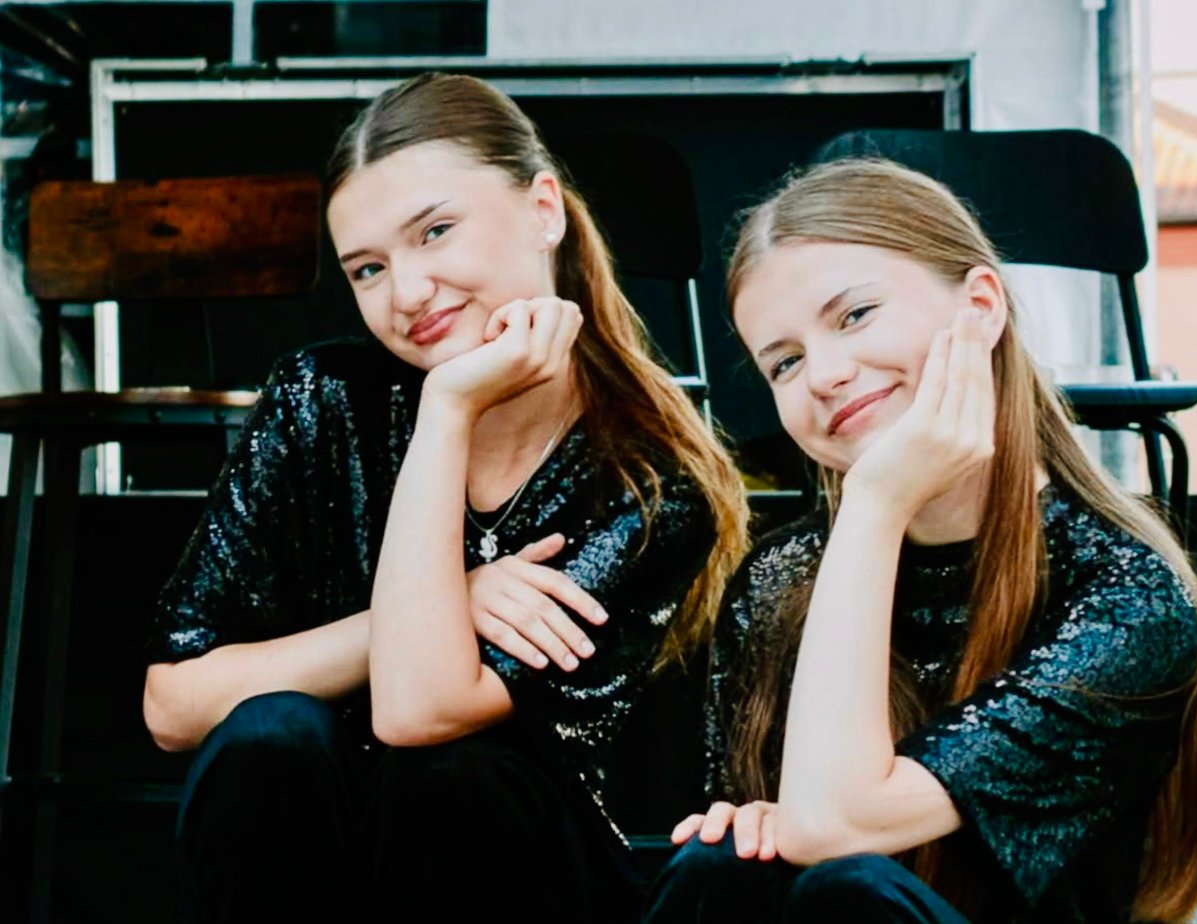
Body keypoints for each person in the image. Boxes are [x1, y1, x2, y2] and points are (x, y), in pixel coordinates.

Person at [141, 71, 748, 924]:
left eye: (435, 231)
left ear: (543, 210)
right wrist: (454, 599)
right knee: (270, 737)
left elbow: (419, 714)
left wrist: (449, 406)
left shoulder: (648, 483)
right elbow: (173, 706)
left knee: (451, 773)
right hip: (315, 862)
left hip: (507, 867)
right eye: (368, 268)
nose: (407, 293)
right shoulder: (322, 398)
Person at [644, 158, 1197, 924]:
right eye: (784, 362)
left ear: (980, 307)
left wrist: (877, 501)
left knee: (850, 889)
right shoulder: (780, 580)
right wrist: (746, 827)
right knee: (719, 865)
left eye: (855, 315)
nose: (824, 375)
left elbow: (832, 828)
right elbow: (778, 829)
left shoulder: (1124, 597)